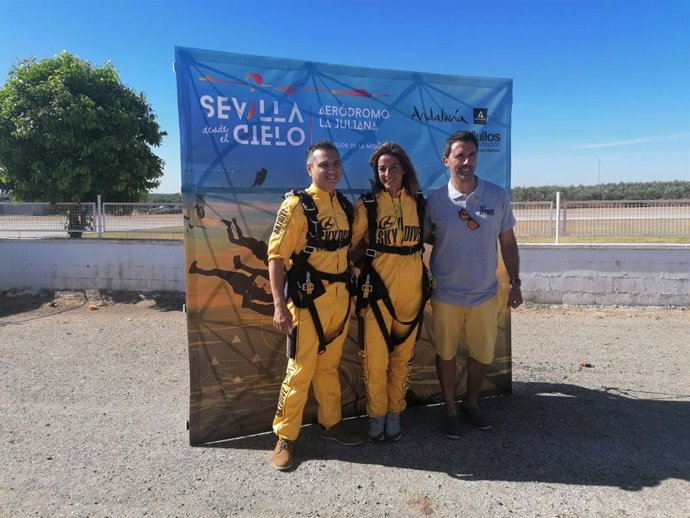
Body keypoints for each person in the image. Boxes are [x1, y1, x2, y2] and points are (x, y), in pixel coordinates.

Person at [267, 141, 363, 471]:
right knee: (299, 371)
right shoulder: (296, 205)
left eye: (336, 163)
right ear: (310, 169)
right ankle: (285, 437)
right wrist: (279, 305)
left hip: (339, 302)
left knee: (329, 367)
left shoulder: (345, 207)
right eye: (324, 164)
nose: (332, 169)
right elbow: (277, 257)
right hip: (307, 302)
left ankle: (331, 424)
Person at [426, 130, 522, 438]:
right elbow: (424, 240)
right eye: (459, 156)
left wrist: (516, 282)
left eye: (471, 155)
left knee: (483, 355)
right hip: (445, 295)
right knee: (446, 354)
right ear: (446, 161)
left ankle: (471, 404)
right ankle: (450, 410)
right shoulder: (435, 201)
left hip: (484, 294)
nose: (466, 161)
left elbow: (508, 242)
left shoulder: (496, 196)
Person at [351, 143, 428, 443]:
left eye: (393, 167)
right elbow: (349, 247)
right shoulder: (368, 204)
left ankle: (395, 412)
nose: (387, 173)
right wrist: (361, 274)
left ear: (404, 169)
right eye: (381, 169)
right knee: (375, 360)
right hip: (377, 294)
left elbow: (429, 242)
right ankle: (377, 415)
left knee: (402, 359)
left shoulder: (419, 203)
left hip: (412, 292)